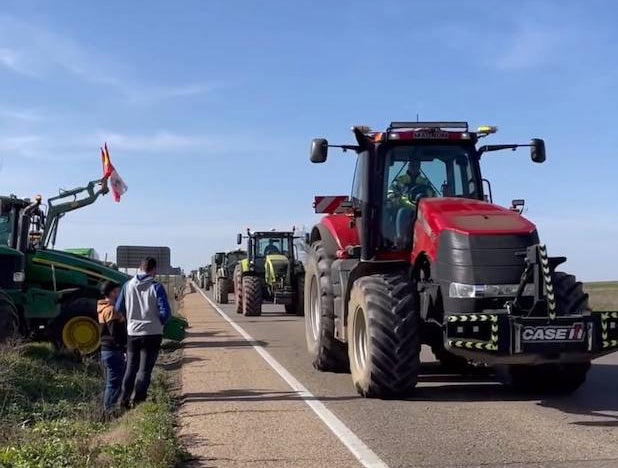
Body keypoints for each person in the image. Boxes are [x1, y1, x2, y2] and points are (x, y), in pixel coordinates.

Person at [116, 257, 171, 408]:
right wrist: (161, 322)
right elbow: (165, 312)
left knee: (131, 367)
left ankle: (123, 399)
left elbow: (119, 308)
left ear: (140, 267)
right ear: (153, 270)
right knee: (145, 369)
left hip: (133, 332)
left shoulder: (127, 285)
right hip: (152, 333)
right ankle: (138, 400)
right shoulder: (156, 287)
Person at [97, 281, 126, 411]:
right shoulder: (111, 310)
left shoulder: (102, 308)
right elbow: (115, 333)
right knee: (114, 382)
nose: (118, 294)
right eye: (117, 291)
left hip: (106, 350)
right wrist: (123, 347)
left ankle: (109, 408)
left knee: (111, 382)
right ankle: (110, 410)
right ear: (112, 293)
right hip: (114, 351)